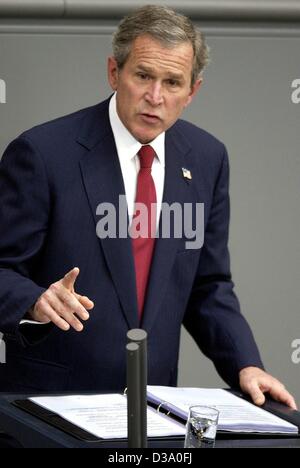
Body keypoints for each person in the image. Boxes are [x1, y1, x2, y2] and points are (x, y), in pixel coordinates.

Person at [0, 5, 296, 409]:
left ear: (192, 92)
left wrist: (246, 364)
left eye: (172, 82)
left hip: (151, 409)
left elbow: (208, 286)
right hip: (50, 406)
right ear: (114, 72)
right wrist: (35, 300)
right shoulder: (42, 154)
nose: (155, 98)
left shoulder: (207, 159)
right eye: (142, 76)